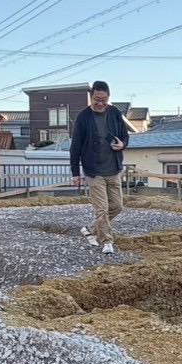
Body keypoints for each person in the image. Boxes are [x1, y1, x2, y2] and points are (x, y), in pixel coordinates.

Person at [69, 80, 132, 254]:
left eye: (104, 99)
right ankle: (106, 241)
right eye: (97, 99)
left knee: (117, 206)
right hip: (94, 171)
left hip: (113, 169)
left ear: (108, 98)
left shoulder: (114, 113)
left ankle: (90, 229)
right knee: (102, 208)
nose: (100, 103)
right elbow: (75, 148)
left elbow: (125, 136)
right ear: (91, 97)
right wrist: (75, 173)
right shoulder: (83, 117)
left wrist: (122, 145)